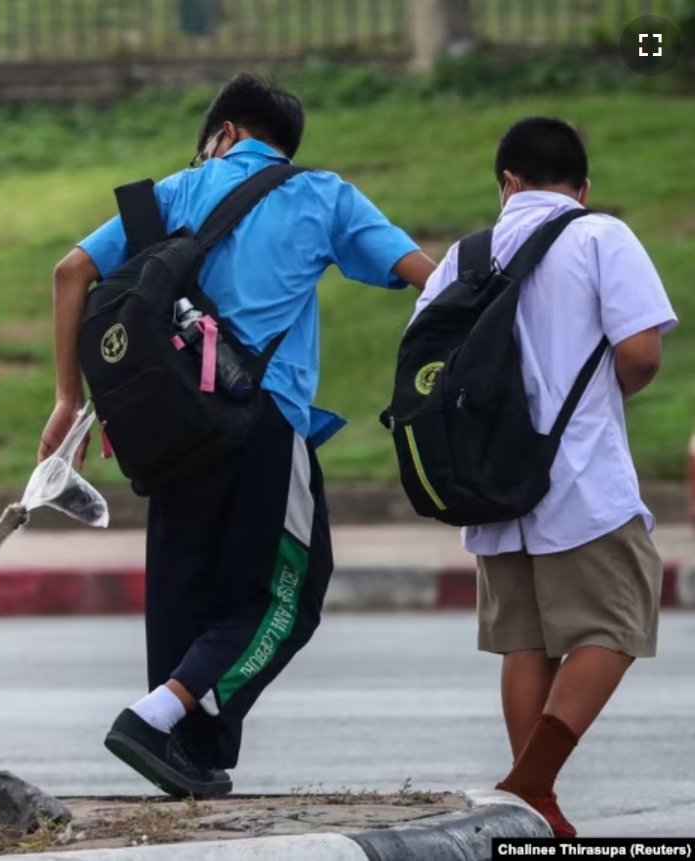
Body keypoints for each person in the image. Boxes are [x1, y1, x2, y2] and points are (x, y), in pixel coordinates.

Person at [40, 73, 437, 797]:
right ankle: (153, 716)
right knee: (289, 590)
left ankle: (188, 752)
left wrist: (67, 397)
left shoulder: (166, 194)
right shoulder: (322, 195)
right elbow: (425, 277)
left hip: (167, 433)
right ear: (280, 143)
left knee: (185, 586)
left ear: (223, 133)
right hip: (262, 419)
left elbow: (71, 273)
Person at [408, 116, 676, 838]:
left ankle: (534, 807)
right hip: (578, 474)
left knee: (524, 640)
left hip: (488, 480)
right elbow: (642, 351)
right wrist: (597, 397)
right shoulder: (598, 236)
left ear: (506, 183)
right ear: (581, 188)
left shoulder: (461, 258)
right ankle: (526, 784)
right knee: (617, 620)